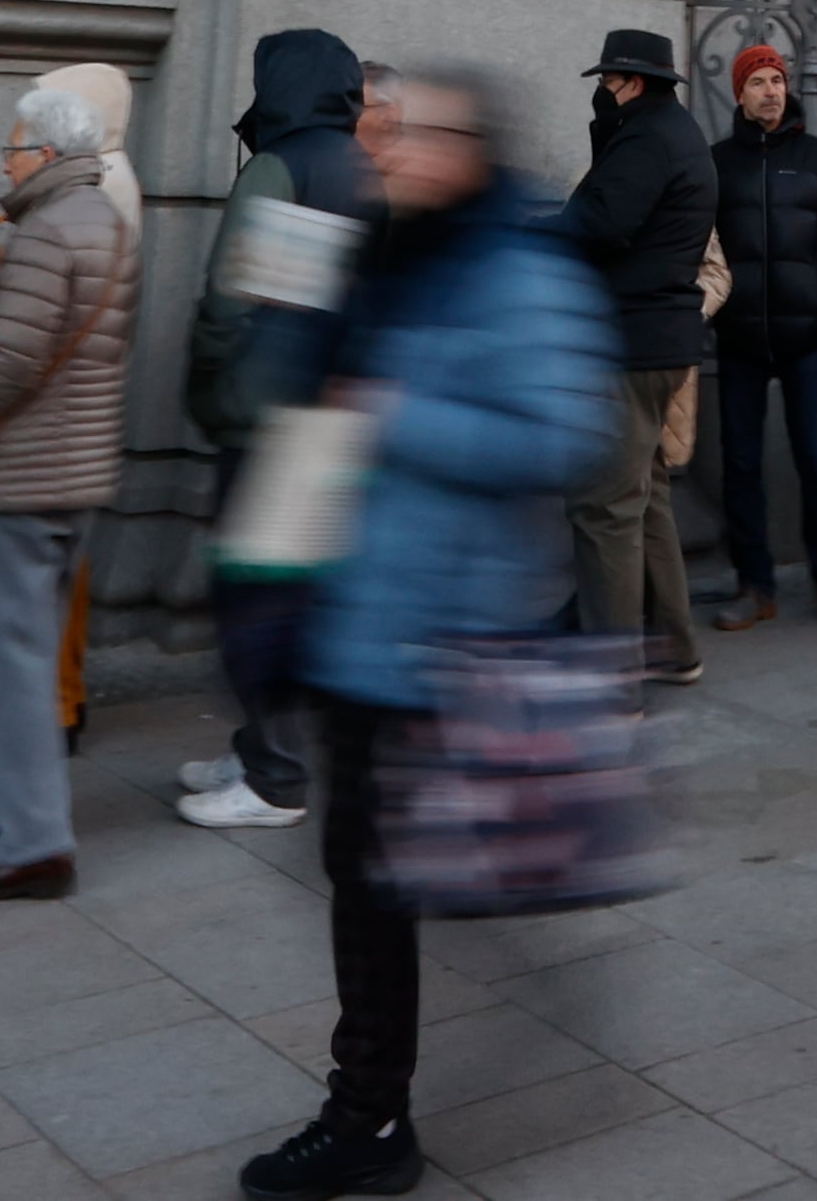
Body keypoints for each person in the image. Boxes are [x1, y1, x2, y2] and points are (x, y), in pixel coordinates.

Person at [236, 69, 620, 1201]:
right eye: (371, 129)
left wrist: (393, 413)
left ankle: (367, 1116)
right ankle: (370, 1105)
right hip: (361, 618)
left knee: (378, 878)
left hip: (441, 630)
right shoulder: (382, 254)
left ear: (462, 147)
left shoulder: (519, 269)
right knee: (364, 875)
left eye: (398, 132)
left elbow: (562, 436)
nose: (379, 149)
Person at [0, 69, 136, 899]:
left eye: (11, 149)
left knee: (11, 655)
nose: (4, 163)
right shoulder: (107, 219)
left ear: (46, 151)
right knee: (26, 648)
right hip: (77, 466)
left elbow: (5, 359)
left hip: (25, 469)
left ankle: (33, 844)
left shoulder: (46, 230)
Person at [183, 27, 376, 831]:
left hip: (270, 421)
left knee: (253, 597)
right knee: (295, 595)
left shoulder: (285, 164)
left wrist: (207, 378)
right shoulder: (359, 166)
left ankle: (273, 775)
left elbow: (237, 300)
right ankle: (269, 748)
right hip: (332, 412)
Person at [556, 28, 712, 688]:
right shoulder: (672, 133)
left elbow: (598, 220)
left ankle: (613, 680)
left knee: (605, 512)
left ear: (633, 82)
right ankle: (675, 648)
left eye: (607, 83)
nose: (601, 93)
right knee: (645, 505)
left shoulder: (649, 138)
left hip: (630, 343)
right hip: (659, 343)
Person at [704, 44, 817, 632]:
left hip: (807, 339)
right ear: (739, 94)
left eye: (777, 80)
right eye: (758, 82)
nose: (771, 90)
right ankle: (754, 586)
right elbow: (700, 242)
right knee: (741, 464)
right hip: (741, 338)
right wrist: (718, 311)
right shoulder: (718, 162)